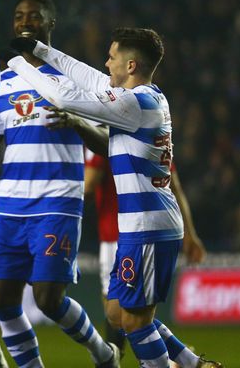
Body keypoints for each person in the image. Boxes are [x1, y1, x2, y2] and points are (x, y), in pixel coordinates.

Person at [2, 28, 222, 367]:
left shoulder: (136, 103)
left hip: (148, 225)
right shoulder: (147, 96)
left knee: (135, 322)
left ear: (131, 65)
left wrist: (20, 65)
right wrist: (41, 51)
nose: (105, 63)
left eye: (112, 57)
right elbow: (86, 77)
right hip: (141, 225)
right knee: (119, 314)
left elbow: (66, 96)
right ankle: (195, 364)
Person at [0, 0, 119, 368]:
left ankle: (102, 352)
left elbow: (108, 145)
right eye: (19, 15)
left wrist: (77, 121)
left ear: (50, 25)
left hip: (57, 201)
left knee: (47, 298)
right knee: (2, 300)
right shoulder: (2, 81)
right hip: (10, 204)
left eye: (35, 16)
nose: (25, 22)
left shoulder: (73, 79)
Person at [84, 149, 208, 362]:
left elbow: (88, 184)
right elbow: (175, 187)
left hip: (127, 234)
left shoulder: (106, 138)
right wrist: (190, 233)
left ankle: (117, 360)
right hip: (127, 234)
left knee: (132, 315)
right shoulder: (150, 140)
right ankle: (187, 361)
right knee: (117, 313)